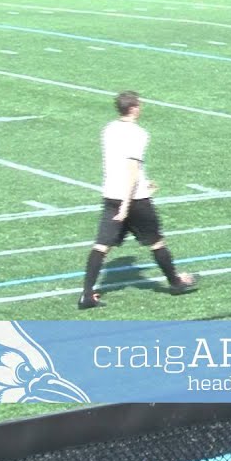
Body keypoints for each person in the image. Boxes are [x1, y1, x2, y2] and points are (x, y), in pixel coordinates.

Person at [78, 90, 195, 310]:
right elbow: (131, 169)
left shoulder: (109, 129)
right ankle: (175, 282)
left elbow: (118, 163)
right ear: (133, 108)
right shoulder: (138, 133)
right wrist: (126, 205)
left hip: (111, 194)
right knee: (156, 242)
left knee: (102, 245)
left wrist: (144, 181)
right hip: (133, 200)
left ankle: (86, 294)